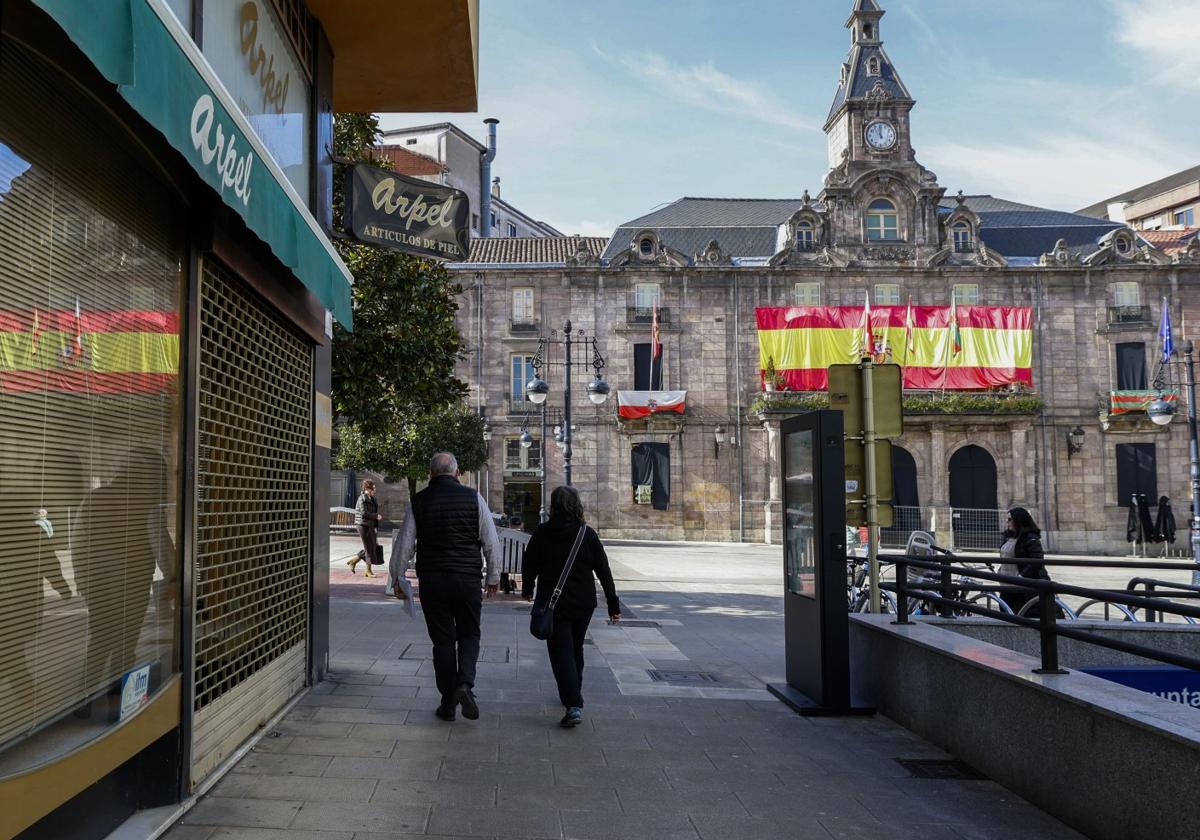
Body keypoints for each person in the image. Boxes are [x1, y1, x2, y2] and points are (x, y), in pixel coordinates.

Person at [389, 452, 500, 722]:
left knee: (442, 641)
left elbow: (405, 543)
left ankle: (448, 703)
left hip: (433, 581)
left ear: (430, 474)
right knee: (469, 634)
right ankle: (465, 684)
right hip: (467, 579)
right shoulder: (474, 498)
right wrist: (493, 577)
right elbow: (491, 540)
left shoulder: (419, 501)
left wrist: (397, 577)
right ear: (457, 473)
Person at [522, 486, 620, 728]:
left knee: (561, 652)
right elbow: (603, 570)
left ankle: (573, 703)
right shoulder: (587, 534)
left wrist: (526, 588)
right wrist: (613, 603)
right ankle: (574, 690)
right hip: (583, 602)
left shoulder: (543, 532)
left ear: (554, 505)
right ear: (576, 504)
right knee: (576, 648)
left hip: (553, 603)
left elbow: (529, 562)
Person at [998, 507, 1052, 617]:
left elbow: (1037, 560)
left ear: (1018, 520)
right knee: (1005, 612)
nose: (1007, 522)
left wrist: (1021, 576)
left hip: (1021, 584)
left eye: (1009, 519)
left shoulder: (1030, 537)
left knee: (1019, 613)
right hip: (1006, 582)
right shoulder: (1009, 537)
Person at [349, 479, 382, 577]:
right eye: (373, 488)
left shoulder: (372, 499)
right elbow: (364, 513)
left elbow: (373, 513)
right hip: (363, 525)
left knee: (372, 547)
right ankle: (368, 571)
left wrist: (375, 527)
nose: (375, 490)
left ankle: (353, 561)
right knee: (369, 548)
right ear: (368, 488)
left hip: (371, 526)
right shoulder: (362, 498)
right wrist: (376, 516)